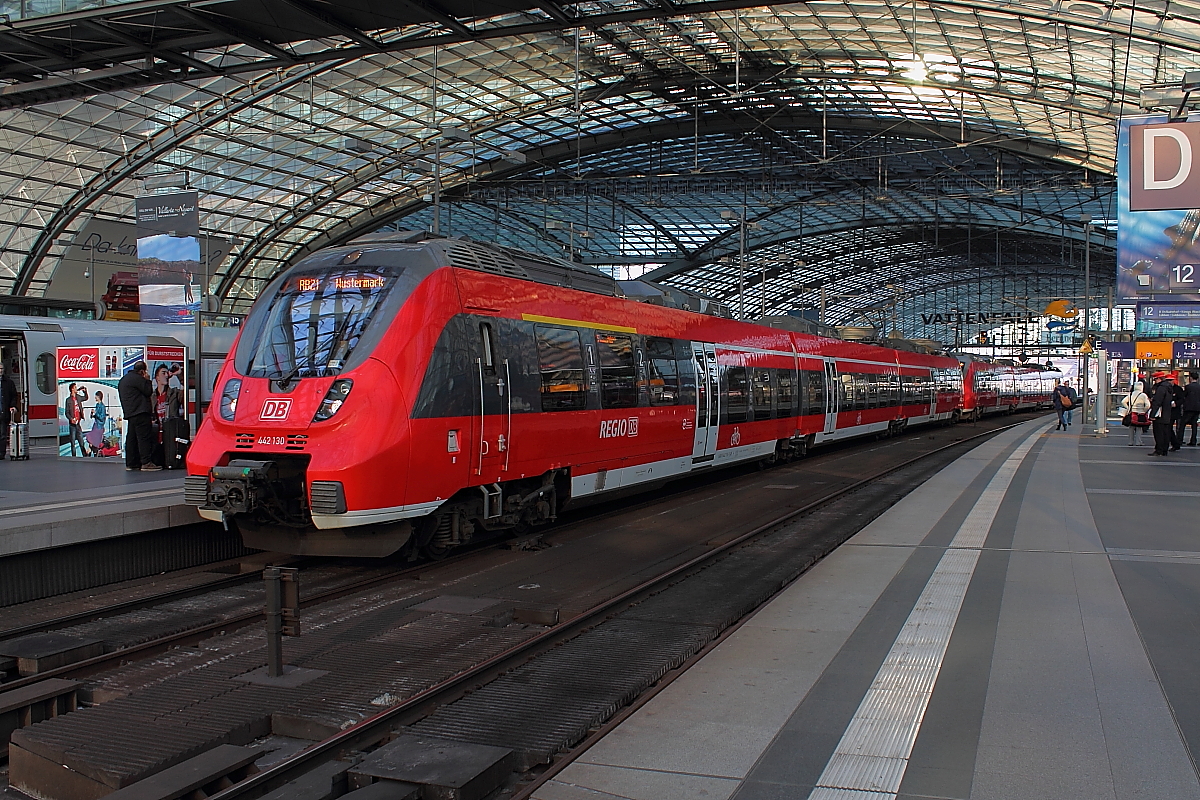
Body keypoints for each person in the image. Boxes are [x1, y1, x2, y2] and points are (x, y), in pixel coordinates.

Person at [118, 361, 160, 471]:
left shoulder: (124, 379)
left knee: (131, 438)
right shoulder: (139, 379)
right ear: (142, 371)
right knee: (144, 438)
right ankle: (146, 462)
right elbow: (148, 391)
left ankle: (131, 463)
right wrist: (147, 380)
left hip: (130, 413)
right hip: (141, 412)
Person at [1149, 371, 1176, 456]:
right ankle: (1164, 450)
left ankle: (1159, 450)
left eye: (1155, 379)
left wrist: (1152, 414)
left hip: (1159, 414)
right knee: (1165, 432)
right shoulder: (1169, 387)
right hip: (1167, 413)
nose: (1155, 381)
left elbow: (1157, 401)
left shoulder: (1161, 388)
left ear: (1159, 379)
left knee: (1158, 433)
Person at [64, 382, 91, 457]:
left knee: (81, 442)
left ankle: (85, 456)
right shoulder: (68, 400)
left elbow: (86, 398)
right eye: (75, 387)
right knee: (72, 442)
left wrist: (85, 391)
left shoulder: (78, 397)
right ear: (72, 389)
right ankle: (74, 457)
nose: (76, 389)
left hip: (78, 423)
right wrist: (71, 419)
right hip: (72, 424)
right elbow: (66, 413)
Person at [1122, 381, 1151, 447]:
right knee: (1139, 428)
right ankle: (1138, 442)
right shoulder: (1143, 395)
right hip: (1140, 413)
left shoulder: (1131, 394)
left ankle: (1130, 442)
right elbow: (1148, 405)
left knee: (1131, 428)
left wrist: (1128, 408)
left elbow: (1123, 401)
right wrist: (1144, 411)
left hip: (1132, 413)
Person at [0, 361, 18, 457]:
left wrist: (13, 406)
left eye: (2, 369)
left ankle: (1, 453)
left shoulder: (9, 382)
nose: (1, 371)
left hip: (3, 412)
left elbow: (14, 396)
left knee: (3, 434)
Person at [1170, 371, 1187, 451]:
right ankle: (1175, 443)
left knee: (1174, 427)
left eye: (1171, 380)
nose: (1170, 382)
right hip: (1167, 411)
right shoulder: (1165, 388)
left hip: (1175, 411)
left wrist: (1176, 403)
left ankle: (1176, 443)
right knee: (1168, 428)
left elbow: (1182, 399)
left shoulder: (1178, 389)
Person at [88, 390, 108, 455]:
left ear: (98, 397)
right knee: (91, 441)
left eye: (96, 396)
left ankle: (92, 452)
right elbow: (97, 416)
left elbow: (102, 417)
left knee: (92, 440)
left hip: (99, 426)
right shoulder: (97, 405)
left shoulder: (102, 406)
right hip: (96, 425)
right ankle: (92, 452)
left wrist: (95, 413)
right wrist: (92, 415)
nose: (95, 398)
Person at [1183, 371, 1200, 447]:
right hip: (1197, 408)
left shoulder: (1188, 387)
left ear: (1191, 378)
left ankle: (1180, 439)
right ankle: (1193, 440)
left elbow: (1184, 396)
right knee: (1194, 425)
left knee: (1182, 424)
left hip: (1189, 408)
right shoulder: (1199, 387)